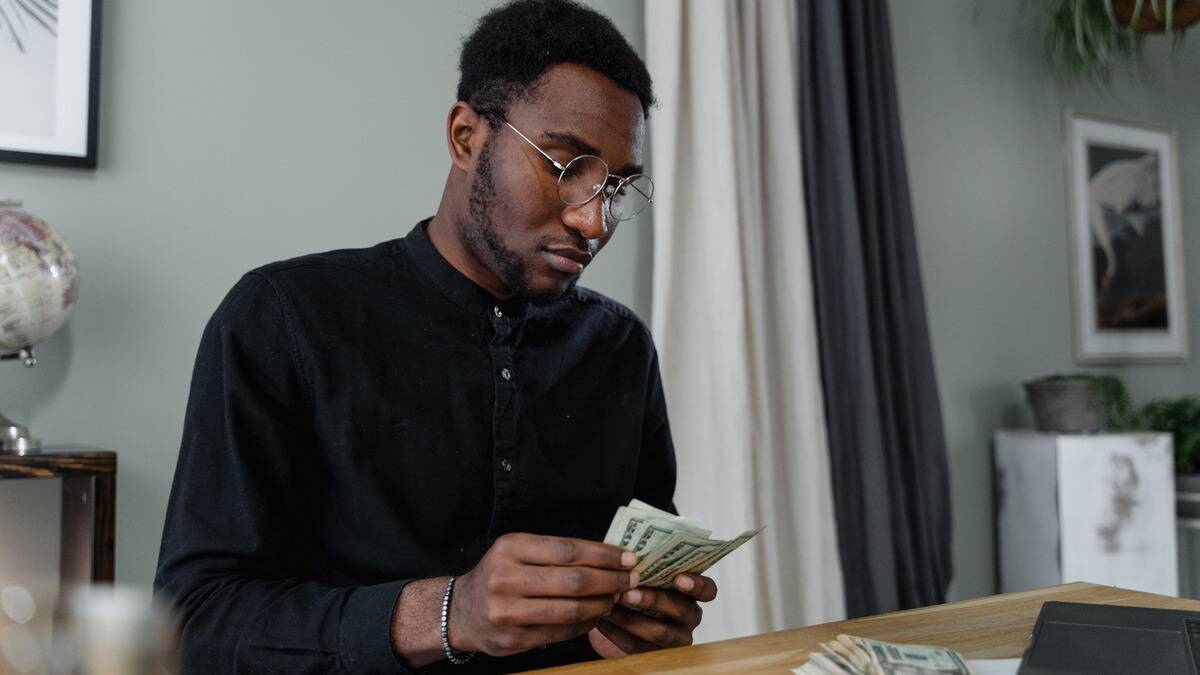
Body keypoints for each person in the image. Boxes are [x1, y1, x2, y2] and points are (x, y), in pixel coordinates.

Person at [154, 1, 718, 672]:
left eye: (618, 187)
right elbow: (194, 621)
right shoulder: (281, 318)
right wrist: (448, 612)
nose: (594, 221)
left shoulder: (620, 349)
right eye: (567, 167)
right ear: (465, 136)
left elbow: (643, 595)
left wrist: (650, 620)